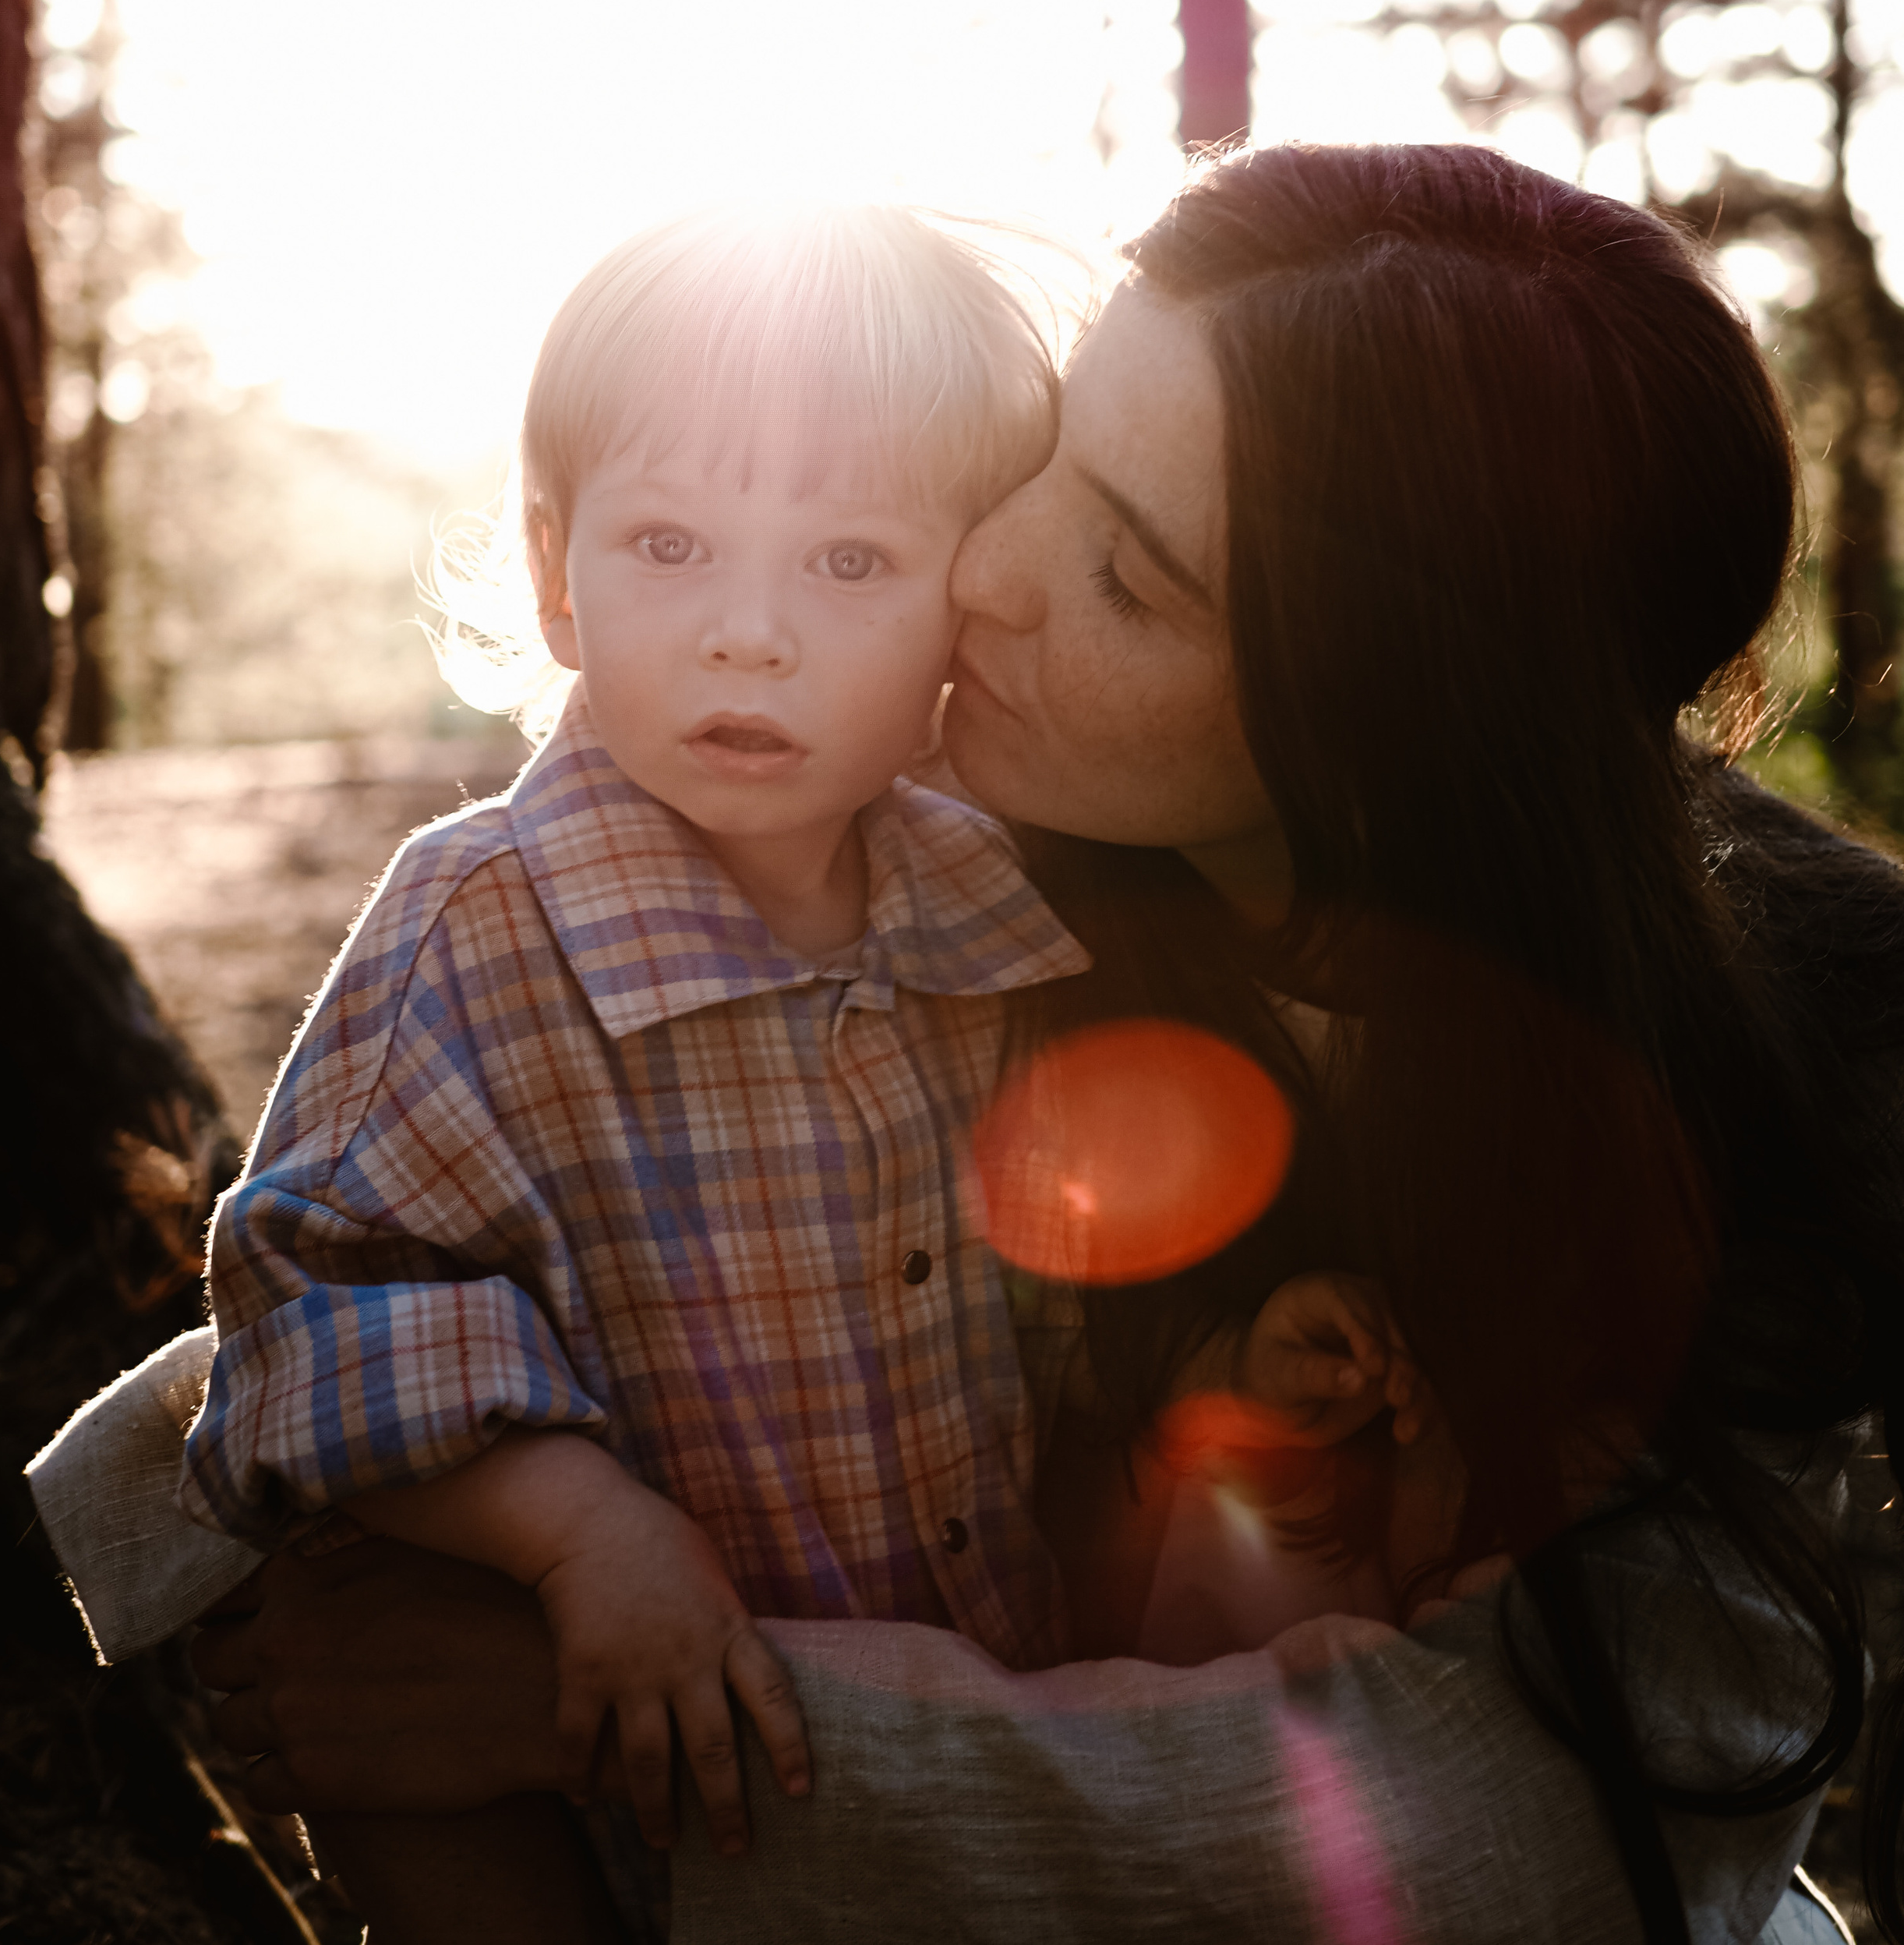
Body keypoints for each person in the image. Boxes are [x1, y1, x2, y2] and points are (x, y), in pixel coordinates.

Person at [193, 143, 1904, 1945]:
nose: (977, 574)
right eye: (1050, 456)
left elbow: (1571, 1835)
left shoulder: (1787, 1065)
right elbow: (409, 1228)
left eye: (1127, 575)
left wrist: (616, 1715)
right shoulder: (902, 813)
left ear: (1374, 726)